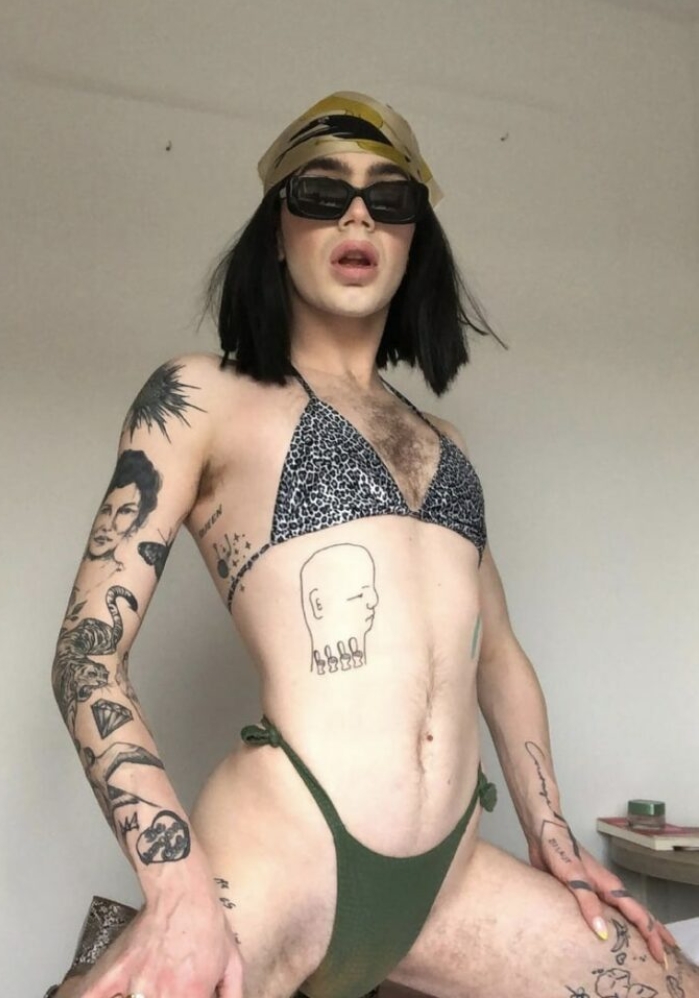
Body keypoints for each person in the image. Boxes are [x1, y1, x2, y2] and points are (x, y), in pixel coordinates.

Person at [50, 92, 696, 998]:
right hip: (281, 862)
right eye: (321, 195)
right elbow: (87, 655)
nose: (357, 216)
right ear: (276, 234)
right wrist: (177, 886)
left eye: (389, 200)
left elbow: (498, 657)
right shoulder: (201, 397)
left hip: (451, 880)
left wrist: (551, 835)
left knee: (672, 982)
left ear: (412, 241)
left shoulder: (444, 443)